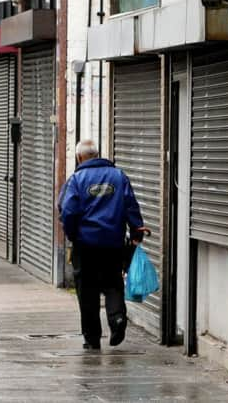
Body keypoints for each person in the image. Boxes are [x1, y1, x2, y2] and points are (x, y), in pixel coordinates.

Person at [59, 140, 144, 350]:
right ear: (97, 154)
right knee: (113, 284)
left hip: (85, 245)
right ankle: (117, 320)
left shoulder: (76, 180)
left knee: (87, 292)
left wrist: (72, 235)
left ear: (79, 158)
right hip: (113, 244)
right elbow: (131, 205)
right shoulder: (119, 176)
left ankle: (92, 338)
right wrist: (136, 231)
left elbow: (67, 211)